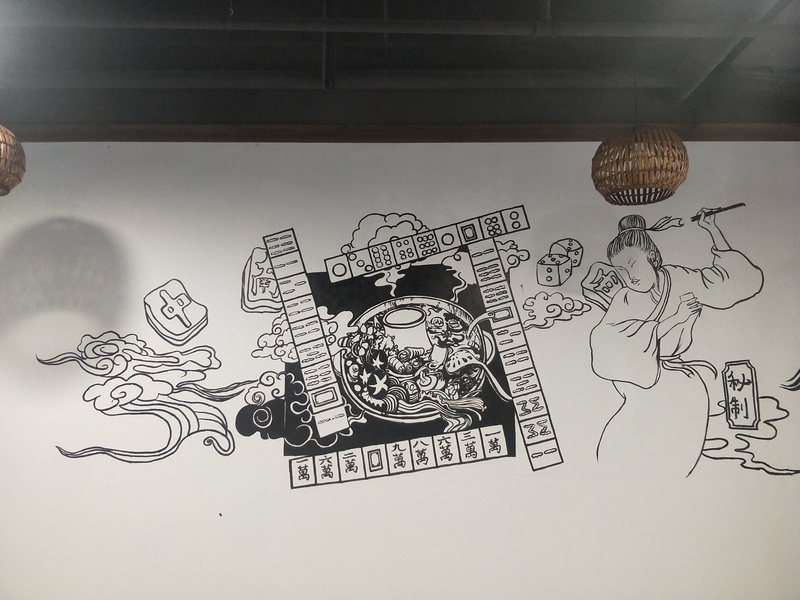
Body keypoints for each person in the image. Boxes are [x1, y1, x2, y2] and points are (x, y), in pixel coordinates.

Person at [589, 210, 763, 477]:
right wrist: (674, 320)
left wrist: (712, 229)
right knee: (630, 448)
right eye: (620, 271)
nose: (629, 277)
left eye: (633, 265)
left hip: (680, 380)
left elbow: (733, 281)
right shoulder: (624, 298)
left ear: (652, 257)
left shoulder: (679, 279)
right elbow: (609, 339)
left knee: (677, 449)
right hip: (641, 383)